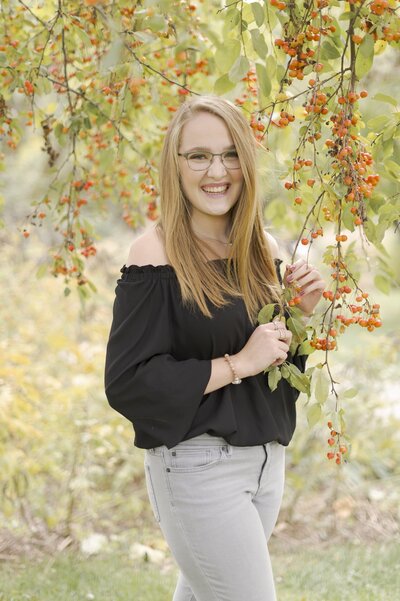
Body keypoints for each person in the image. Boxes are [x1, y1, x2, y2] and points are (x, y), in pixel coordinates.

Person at [104, 95, 325, 601]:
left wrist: (300, 314)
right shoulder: (153, 256)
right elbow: (128, 382)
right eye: (199, 155)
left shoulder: (262, 249)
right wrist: (236, 364)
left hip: (266, 463)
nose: (216, 171)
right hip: (198, 469)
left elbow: (274, 361)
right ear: (175, 165)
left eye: (229, 155)